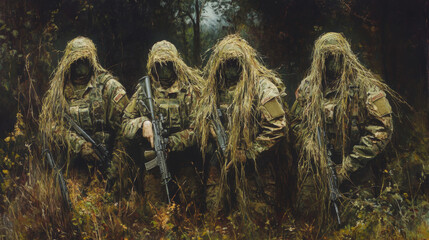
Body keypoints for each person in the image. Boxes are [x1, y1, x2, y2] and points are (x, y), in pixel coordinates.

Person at [291, 32, 399, 223]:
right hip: (319, 170)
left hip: (357, 170)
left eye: (337, 57)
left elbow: (382, 128)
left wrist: (348, 166)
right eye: (327, 57)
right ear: (319, 59)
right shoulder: (308, 87)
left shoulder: (365, 86)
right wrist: (312, 150)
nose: (332, 63)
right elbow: (295, 123)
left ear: (345, 56)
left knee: (362, 220)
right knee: (306, 218)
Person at [194, 35, 291, 225]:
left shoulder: (262, 87)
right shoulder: (212, 90)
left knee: (258, 225)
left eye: (235, 62)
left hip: (256, 171)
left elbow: (277, 126)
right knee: (216, 224)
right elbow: (198, 122)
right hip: (220, 169)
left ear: (244, 62)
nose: (230, 68)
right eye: (226, 63)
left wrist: (249, 153)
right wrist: (210, 132)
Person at [39, 36, 129, 192]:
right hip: (76, 164)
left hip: (110, 160)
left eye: (84, 60)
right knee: (74, 205)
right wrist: (79, 145)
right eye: (76, 61)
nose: (80, 66)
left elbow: (125, 126)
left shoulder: (109, 87)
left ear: (92, 60)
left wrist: (115, 164)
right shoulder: (60, 90)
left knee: (115, 205)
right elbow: (50, 124)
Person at [122, 40, 203, 211]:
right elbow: (124, 126)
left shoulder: (189, 92)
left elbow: (199, 130)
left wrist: (172, 142)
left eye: (168, 65)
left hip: (184, 161)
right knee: (155, 212)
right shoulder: (144, 91)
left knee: (191, 208)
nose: (164, 70)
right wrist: (142, 123)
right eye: (159, 65)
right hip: (155, 165)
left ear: (176, 65)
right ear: (153, 66)